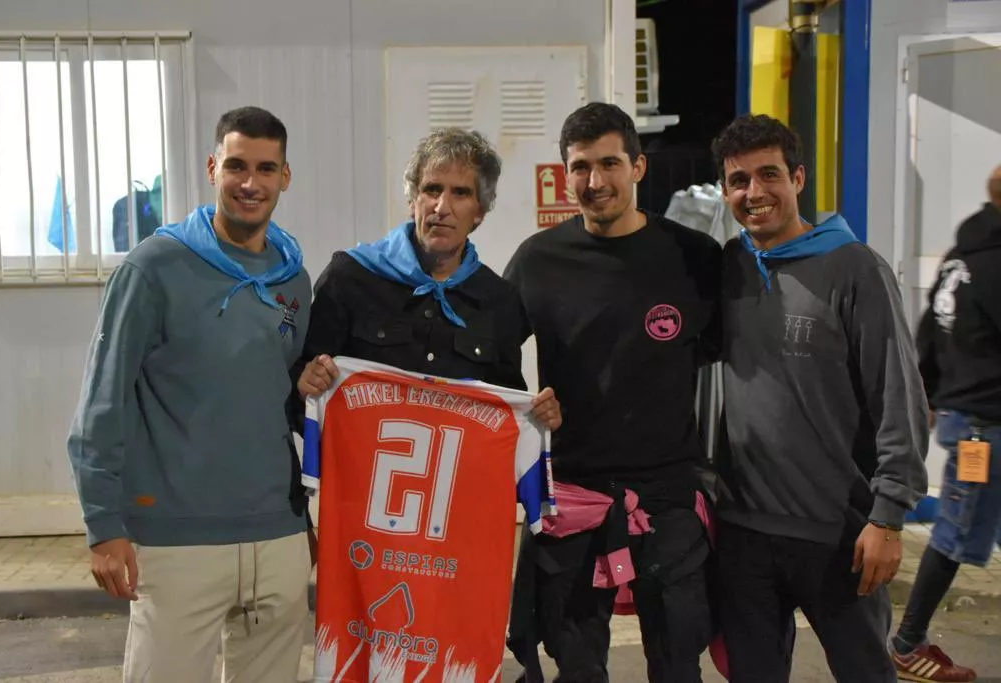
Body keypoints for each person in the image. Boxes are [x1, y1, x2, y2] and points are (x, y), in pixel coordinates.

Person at [67, 106, 314, 683]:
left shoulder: (293, 279)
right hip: (176, 539)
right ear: (212, 167)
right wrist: (104, 525)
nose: (250, 183)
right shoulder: (154, 267)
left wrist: (301, 518)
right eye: (236, 166)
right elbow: (102, 401)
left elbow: (286, 400)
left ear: (285, 176)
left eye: (265, 168)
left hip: (277, 535)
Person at [503, 101, 723, 682]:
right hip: (571, 494)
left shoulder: (694, 259)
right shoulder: (538, 261)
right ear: (563, 173)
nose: (594, 182)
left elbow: (745, 358)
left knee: (678, 662)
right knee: (573, 662)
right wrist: (528, 406)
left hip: (668, 497)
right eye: (580, 167)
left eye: (609, 164)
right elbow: (488, 357)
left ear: (638, 168)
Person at [711, 113, 929, 683]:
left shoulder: (855, 268)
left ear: (798, 178)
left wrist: (888, 517)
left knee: (864, 673)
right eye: (739, 181)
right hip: (744, 533)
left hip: (839, 534)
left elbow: (898, 395)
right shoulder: (729, 269)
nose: (754, 193)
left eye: (769, 175)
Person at [294, 126, 560, 433]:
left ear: (480, 212)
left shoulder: (500, 301)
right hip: (358, 478)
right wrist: (304, 386)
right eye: (432, 189)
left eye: (460, 193)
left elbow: (505, 416)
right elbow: (300, 386)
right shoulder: (350, 277)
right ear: (413, 200)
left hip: (459, 481)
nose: (442, 207)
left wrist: (536, 420)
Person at [888, 165, 1001, 683]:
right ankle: (907, 643)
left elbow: (928, 331)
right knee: (954, 536)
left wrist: (930, 396)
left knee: (957, 532)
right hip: (986, 426)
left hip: (966, 418)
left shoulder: (963, 257)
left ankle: (908, 641)